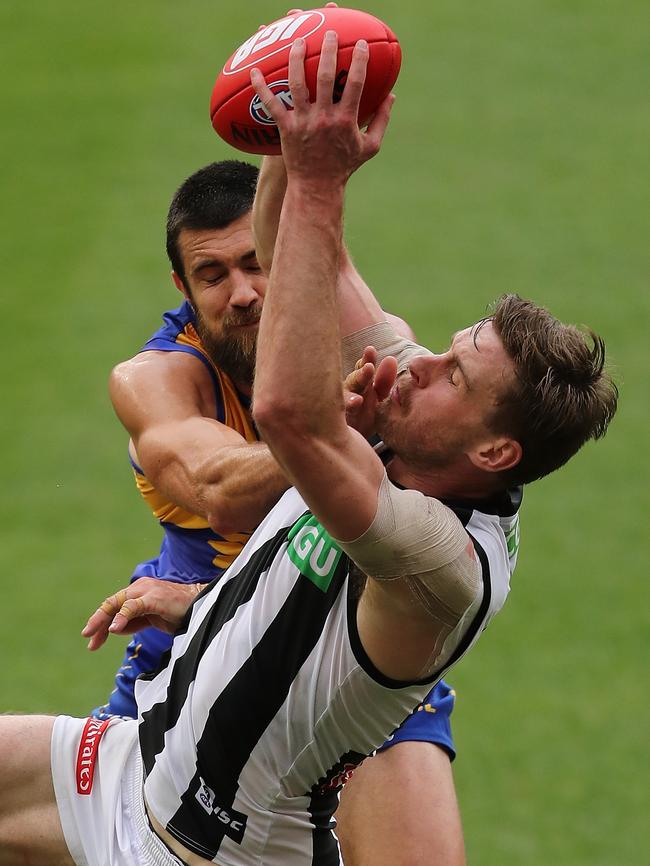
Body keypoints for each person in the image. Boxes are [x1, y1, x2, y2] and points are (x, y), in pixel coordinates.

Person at [0, 35, 617, 866]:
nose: (418, 360)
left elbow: (290, 416)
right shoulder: (420, 419)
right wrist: (296, 125)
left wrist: (321, 181)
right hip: (133, 762)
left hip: (200, 849)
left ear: (496, 452)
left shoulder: (440, 561)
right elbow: (295, 234)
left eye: (453, 377)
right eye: (449, 345)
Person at [93, 156, 465, 864]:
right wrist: (332, 436)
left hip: (348, 668)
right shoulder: (156, 379)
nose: (242, 293)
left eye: (257, 263)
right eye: (212, 275)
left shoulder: (365, 345)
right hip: (191, 667)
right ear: (182, 286)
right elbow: (221, 487)